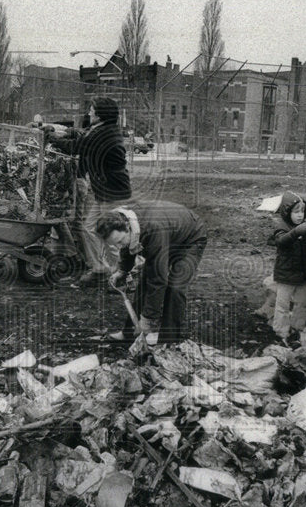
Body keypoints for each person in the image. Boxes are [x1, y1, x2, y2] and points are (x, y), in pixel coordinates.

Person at [96, 201, 208, 345]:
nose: (118, 247)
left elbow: (158, 280)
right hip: (169, 232)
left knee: (175, 287)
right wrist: (123, 270)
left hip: (190, 238)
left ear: (128, 228)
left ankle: (169, 341)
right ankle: (129, 332)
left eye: (119, 241)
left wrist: (148, 318)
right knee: (145, 281)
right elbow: (127, 246)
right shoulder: (124, 221)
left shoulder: (153, 229)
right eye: (114, 244)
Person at [47, 97, 132, 285]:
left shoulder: (104, 134)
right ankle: (100, 270)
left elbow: (77, 147)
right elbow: (82, 134)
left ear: (101, 113)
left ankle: (124, 276)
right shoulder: (101, 129)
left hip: (113, 191)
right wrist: (60, 131)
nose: (89, 113)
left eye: (92, 110)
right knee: (89, 229)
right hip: (105, 190)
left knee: (113, 235)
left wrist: (51, 138)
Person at [267, 192, 306, 342]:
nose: (300, 215)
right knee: (282, 304)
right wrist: (295, 232)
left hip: (302, 274)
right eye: (296, 211)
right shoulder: (282, 227)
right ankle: (280, 332)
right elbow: (281, 241)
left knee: (303, 303)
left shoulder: (305, 226)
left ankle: (297, 329)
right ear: (287, 212)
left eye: (302, 211)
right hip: (286, 274)